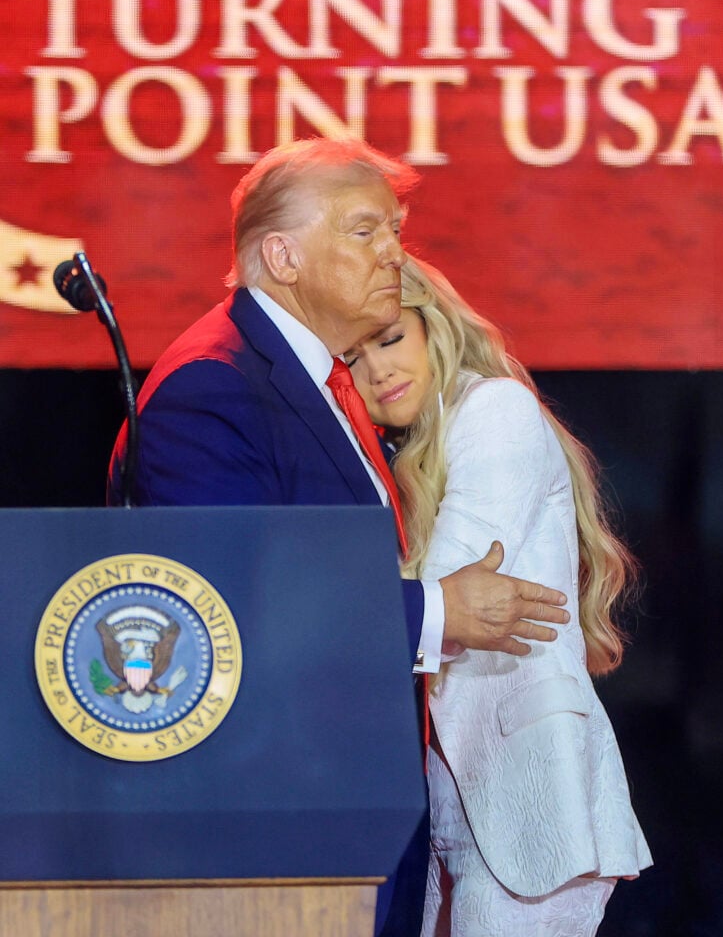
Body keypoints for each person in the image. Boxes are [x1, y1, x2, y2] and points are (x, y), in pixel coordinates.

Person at [107, 137, 570, 936]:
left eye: (395, 229)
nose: (394, 252)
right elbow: (219, 615)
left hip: (344, 814)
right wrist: (432, 614)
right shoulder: (214, 388)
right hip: (272, 830)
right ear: (282, 256)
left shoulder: (314, 387)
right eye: (365, 231)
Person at [345, 256, 653, 937]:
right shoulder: (410, 453)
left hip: (527, 794)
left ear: (434, 329)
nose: (378, 372)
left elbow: (451, 585)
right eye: (352, 357)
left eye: (391, 339)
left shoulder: (493, 409)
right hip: (459, 803)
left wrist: (324, 604)